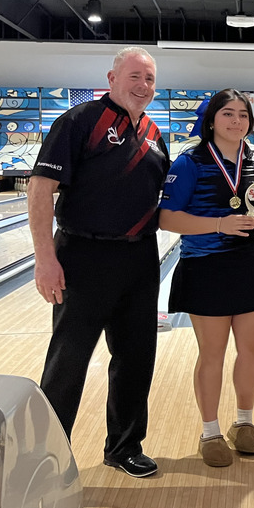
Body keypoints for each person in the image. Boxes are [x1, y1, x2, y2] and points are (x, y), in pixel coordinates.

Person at [29, 46, 169, 478]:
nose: (142, 86)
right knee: (68, 362)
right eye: (134, 76)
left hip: (140, 257)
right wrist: (44, 259)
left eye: (149, 79)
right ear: (112, 79)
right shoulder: (79, 121)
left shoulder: (152, 133)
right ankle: (48, 458)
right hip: (82, 256)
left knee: (135, 357)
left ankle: (124, 447)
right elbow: (39, 190)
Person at [158, 89, 254, 468]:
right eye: (228, 114)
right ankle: (209, 431)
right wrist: (219, 224)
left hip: (250, 265)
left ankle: (243, 424)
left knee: (252, 352)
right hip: (205, 266)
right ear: (212, 120)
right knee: (212, 354)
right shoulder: (191, 161)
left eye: (243, 115)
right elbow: (166, 219)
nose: (236, 121)